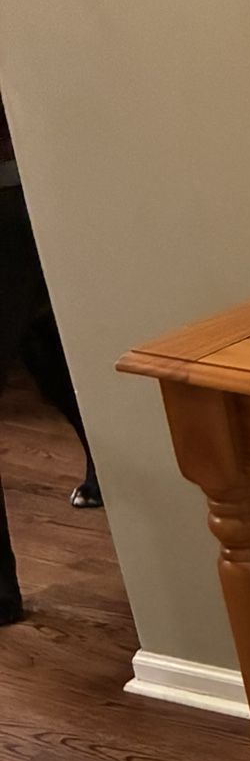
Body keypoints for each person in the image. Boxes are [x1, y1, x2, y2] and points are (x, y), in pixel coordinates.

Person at [0, 99, 101, 626]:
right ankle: (104, 469)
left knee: (52, 351)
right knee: (50, 352)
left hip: (12, 186)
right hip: (26, 182)